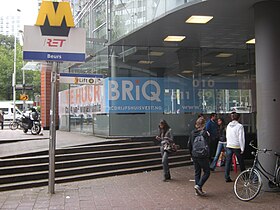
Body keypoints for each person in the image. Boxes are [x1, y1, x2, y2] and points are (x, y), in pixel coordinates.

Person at [188, 117, 210, 196]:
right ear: (204, 124)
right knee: (207, 172)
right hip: (203, 155)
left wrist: (191, 154)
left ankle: (197, 190)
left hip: (194, 155)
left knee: (197, 172)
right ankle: (199, 185)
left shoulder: (192, 133)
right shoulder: (205, 133)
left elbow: (189, 145)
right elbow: (208, 145)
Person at [224, 112, 246, 182]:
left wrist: (228, 142)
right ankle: (244, 176)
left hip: (229, 145)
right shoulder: (240, 126)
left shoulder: (228, 125)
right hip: (236, 146)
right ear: (238, 118)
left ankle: (227, 177)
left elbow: (227, 135)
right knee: (241, 161)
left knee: (228, 162)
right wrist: (242, 148)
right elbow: (241, 138)